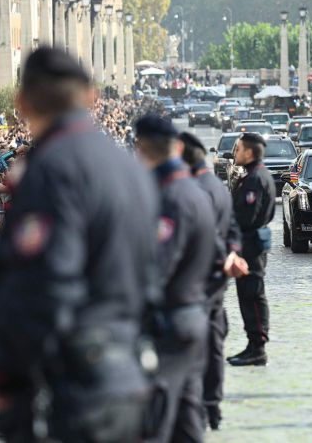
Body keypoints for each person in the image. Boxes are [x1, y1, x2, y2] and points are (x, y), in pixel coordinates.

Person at [0, 48, 159, 442]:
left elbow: (40, 287)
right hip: (129, 377)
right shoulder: (131, 170)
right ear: (91, 95)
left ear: (22, 102)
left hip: (69, 387)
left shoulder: (51, 170)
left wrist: (1, 373)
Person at [135, 115, 217, 442]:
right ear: (178, 147)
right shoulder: (196, 191)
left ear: (141, 149)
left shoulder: (171, 199)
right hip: (192, 315)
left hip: (170, 322)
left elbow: (157, 269)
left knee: (155, 423)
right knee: (185, 424)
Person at [178, 131, 248, 431]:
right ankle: (212, 404)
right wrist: (232, 254)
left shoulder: (192, 190)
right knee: (215, 343)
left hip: (198, 278)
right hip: (217, 277)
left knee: (197, 346)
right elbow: (232, 227)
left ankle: (201, 406)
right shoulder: (218, 188)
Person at [227, 133, 276, 367]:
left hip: (250, 245)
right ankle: (253, 344)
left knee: (252, 295)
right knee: (248, 294)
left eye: (238, 149)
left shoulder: (255, 178)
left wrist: (233, 243)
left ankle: (257, 347)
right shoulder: (257, 175)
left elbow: (246, 216)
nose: (235, 153)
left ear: (248, 152)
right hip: (251, 242)